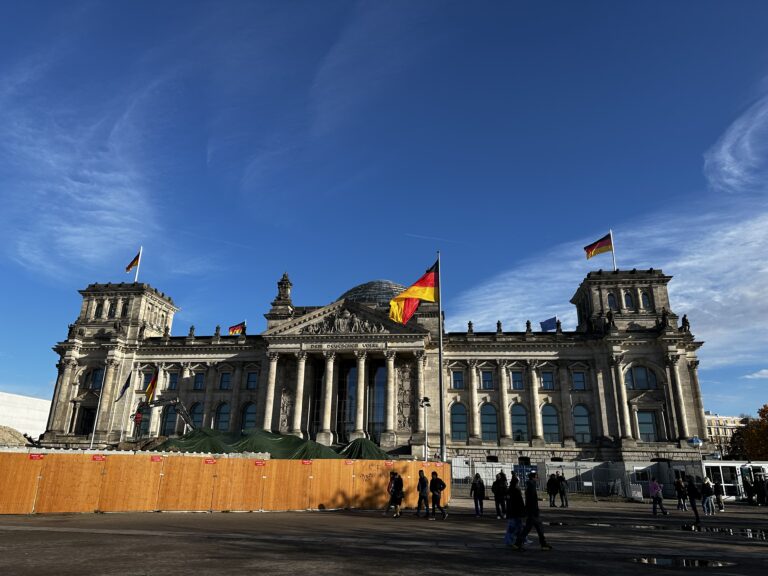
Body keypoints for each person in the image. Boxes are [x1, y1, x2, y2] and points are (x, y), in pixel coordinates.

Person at [514, 471, 552, 551]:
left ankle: (542, 544)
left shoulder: (530, 485)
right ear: (534, 477)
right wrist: (534, 510)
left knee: (536, 528)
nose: (537, 478)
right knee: (533, 529)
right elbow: (532, 500)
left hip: (532, 511)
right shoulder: (532, 485)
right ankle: (518, 544)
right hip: (533, 512)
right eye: (536, 476)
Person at [504, 475, 526, 547]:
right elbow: (519, 502)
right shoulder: (515, 490)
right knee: (514, 527)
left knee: (517, 527)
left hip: (512, 511)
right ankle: (510, 541)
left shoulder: (510, 490)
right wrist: (522, 510)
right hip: (515, 511)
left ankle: (520, 539)